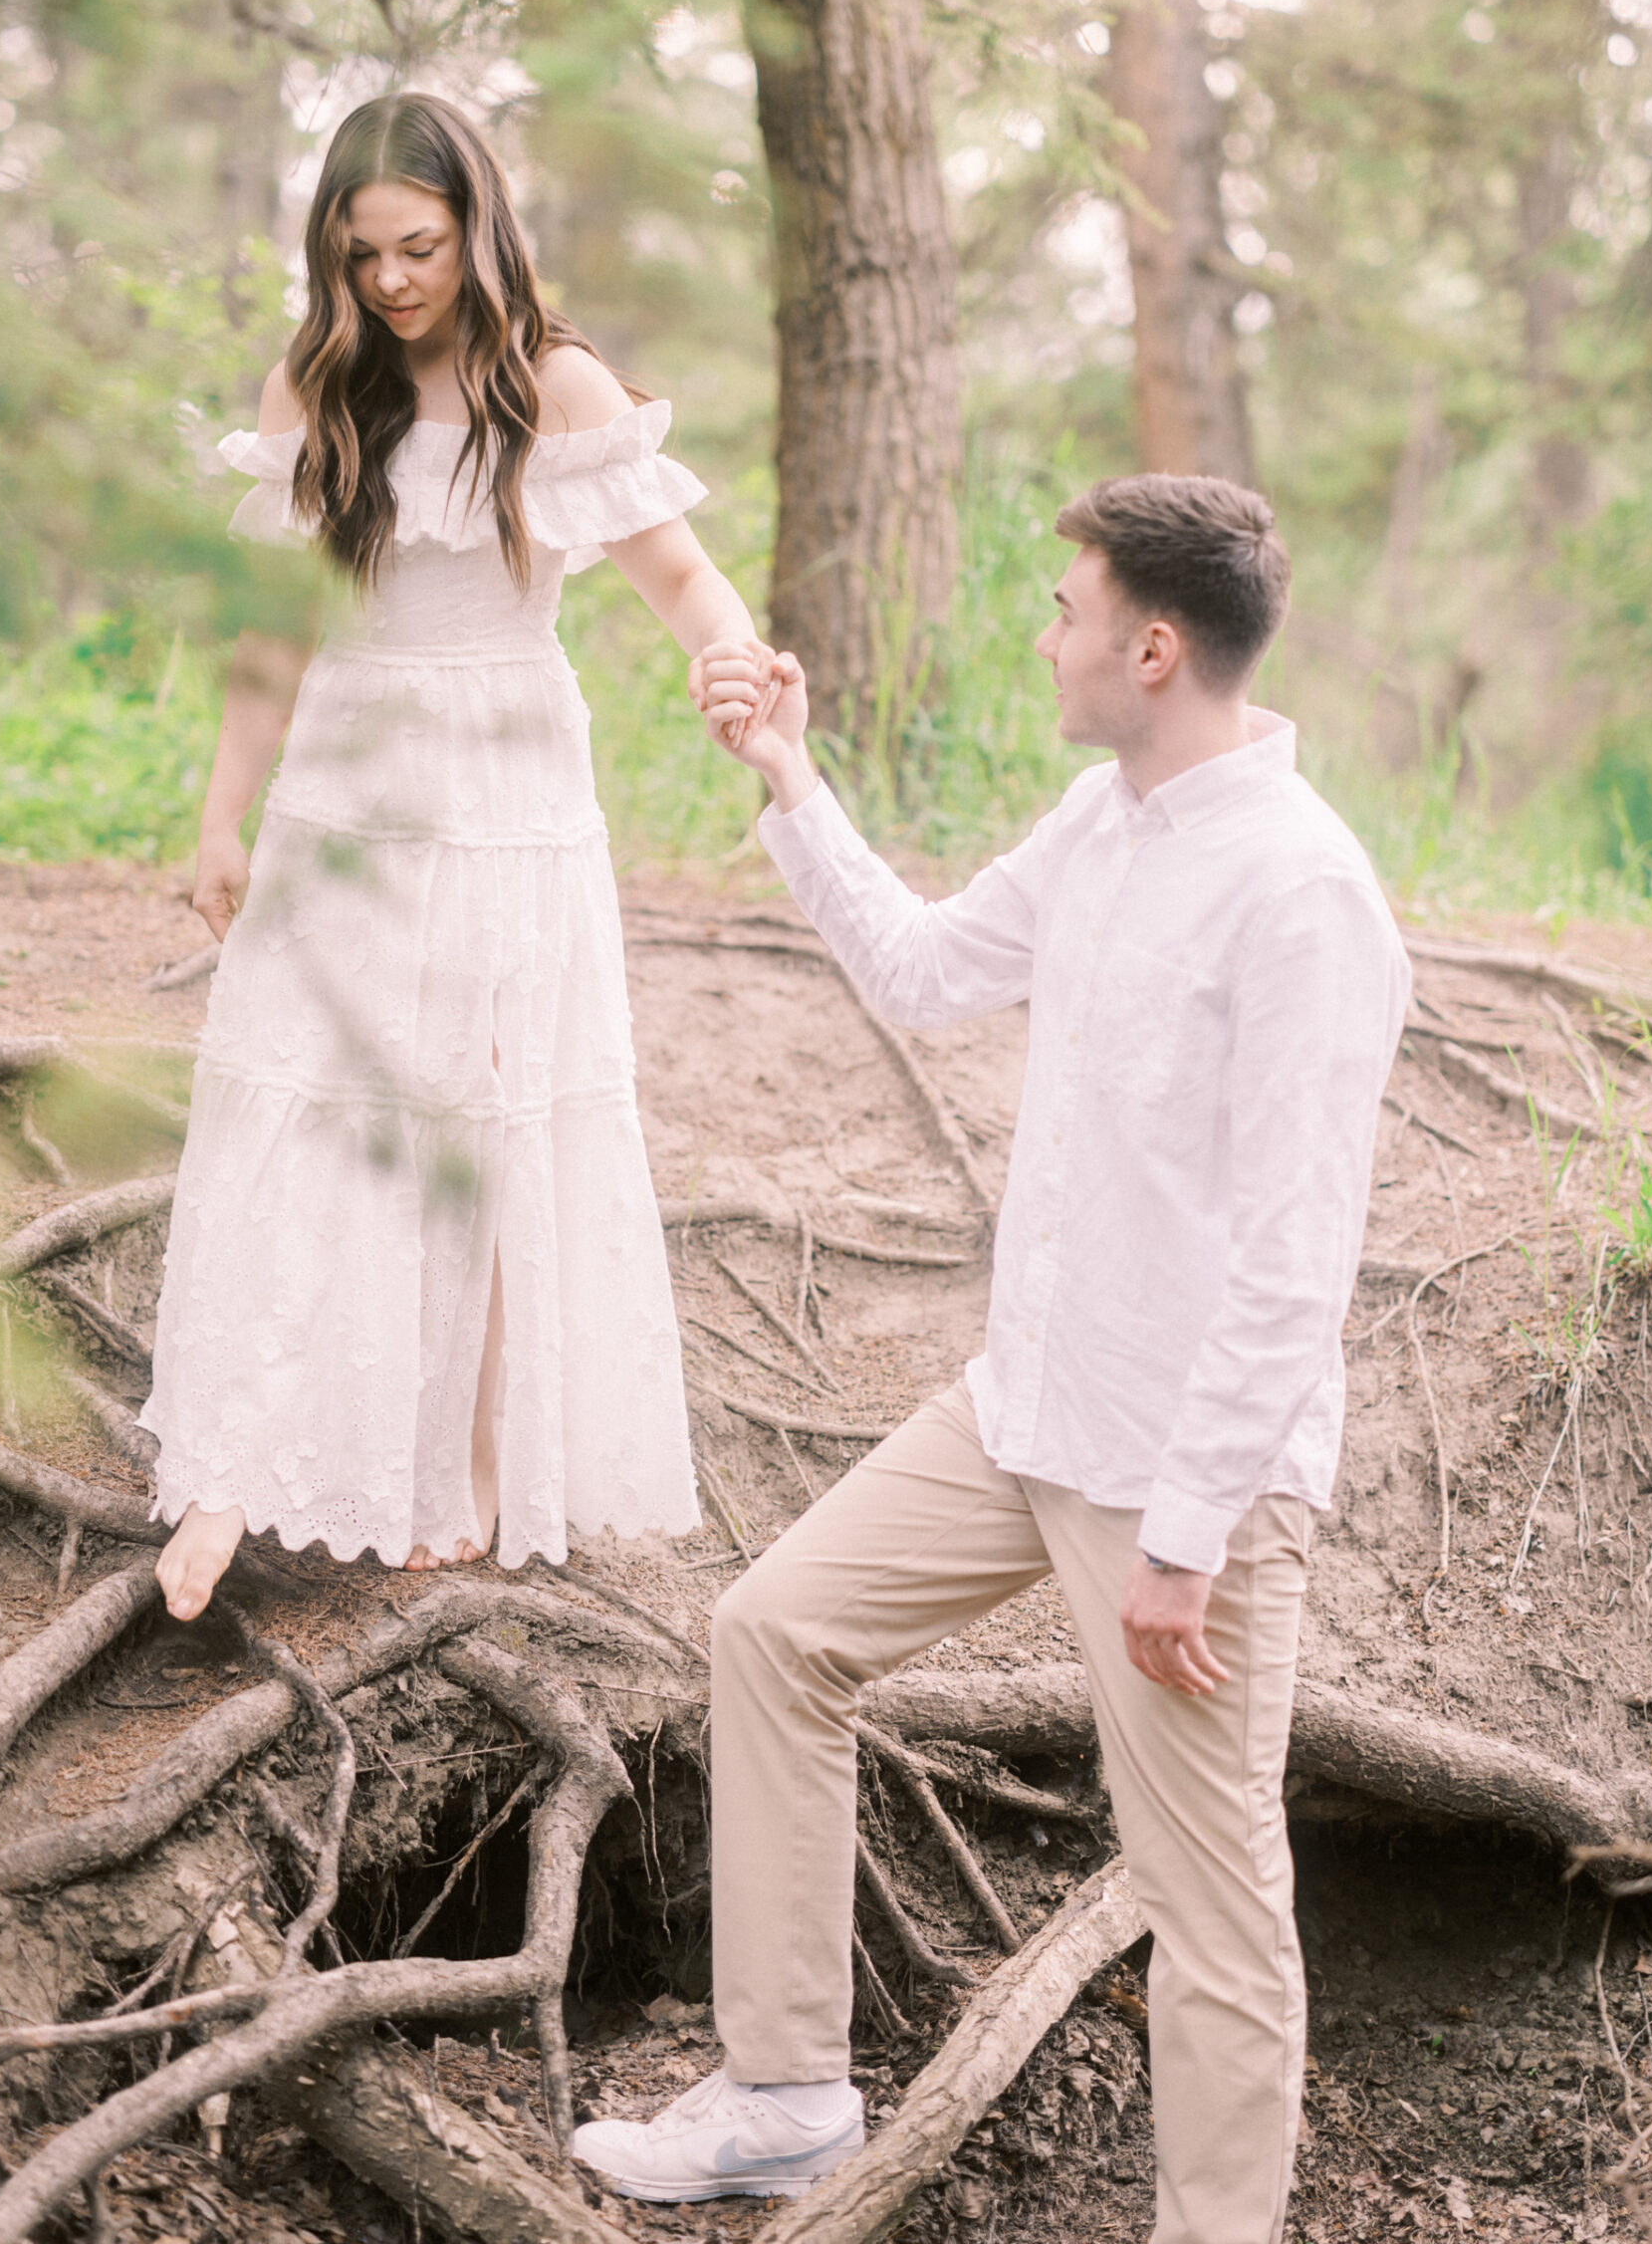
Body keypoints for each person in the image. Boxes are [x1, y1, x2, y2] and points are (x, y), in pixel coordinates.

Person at [571, 474, 1411, 2240]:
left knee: (1211, 1897)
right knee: (775, 1633)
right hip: (1025, 1411)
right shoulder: (1101, 822)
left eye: (1066, 611)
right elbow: (928, 971)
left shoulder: (1305, 894)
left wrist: (1188, 1536)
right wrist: (791, 778)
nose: (1047, 639)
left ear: (1155, 648)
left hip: (1190, 1482)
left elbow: (1294, 1255)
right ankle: (788, 2092)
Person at [142, 91, 771, 1618]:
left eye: (417, 249)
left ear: (476, 227)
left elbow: (684, 582)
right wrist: (222, 815)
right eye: (362, 258)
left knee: (483, 1113)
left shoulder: (553, 388)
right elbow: (269, 634)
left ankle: (473, 1467)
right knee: (300, 1096)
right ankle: (231, 1462)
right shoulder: (320, 387)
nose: (393, 283)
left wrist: (738, 666)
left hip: (505, 791)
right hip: (348, 785)